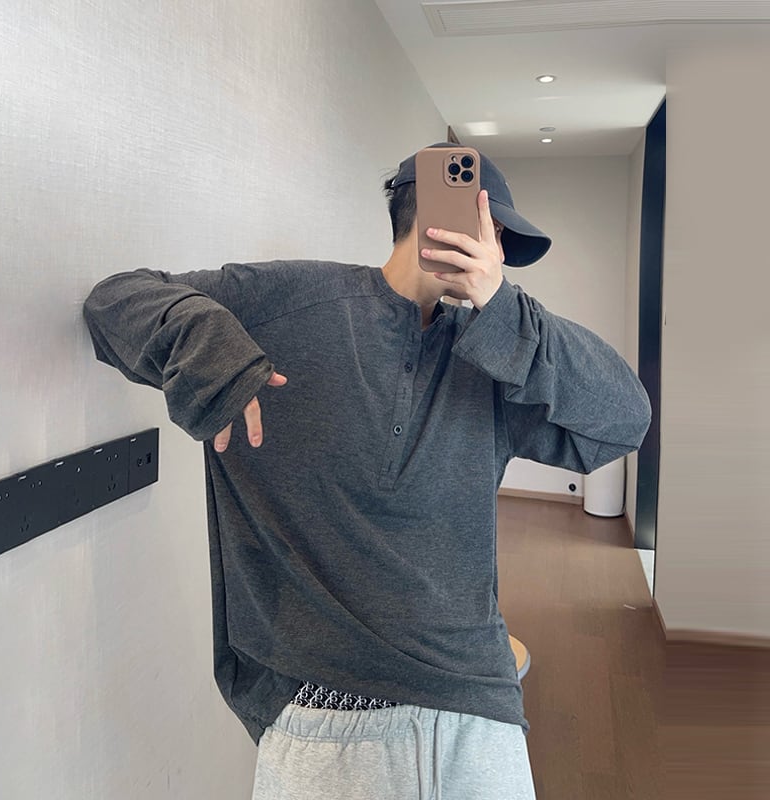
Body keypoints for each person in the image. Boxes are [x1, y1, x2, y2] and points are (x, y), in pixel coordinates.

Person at [83, 142, 651, 800]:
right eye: (496, 232)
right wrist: (207, 344)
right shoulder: (288, 301)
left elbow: (626, 419)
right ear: (454, 218)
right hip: (320, 708)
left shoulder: (497, 353)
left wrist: (504, 306)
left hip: (477, 703)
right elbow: (113, 302)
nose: (497, 250)